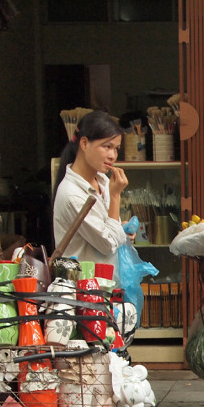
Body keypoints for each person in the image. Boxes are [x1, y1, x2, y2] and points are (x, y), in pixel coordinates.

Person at [52, 110, 129, 280]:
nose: (113, 155)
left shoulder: (102, 181)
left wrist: (122, 231)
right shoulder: (72, 193)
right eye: (107, 147)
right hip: (82, 291)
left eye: (116, 149)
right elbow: (107, 244)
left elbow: (109, 229)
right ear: (84, 143)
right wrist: (115, 196)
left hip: (105, 286)